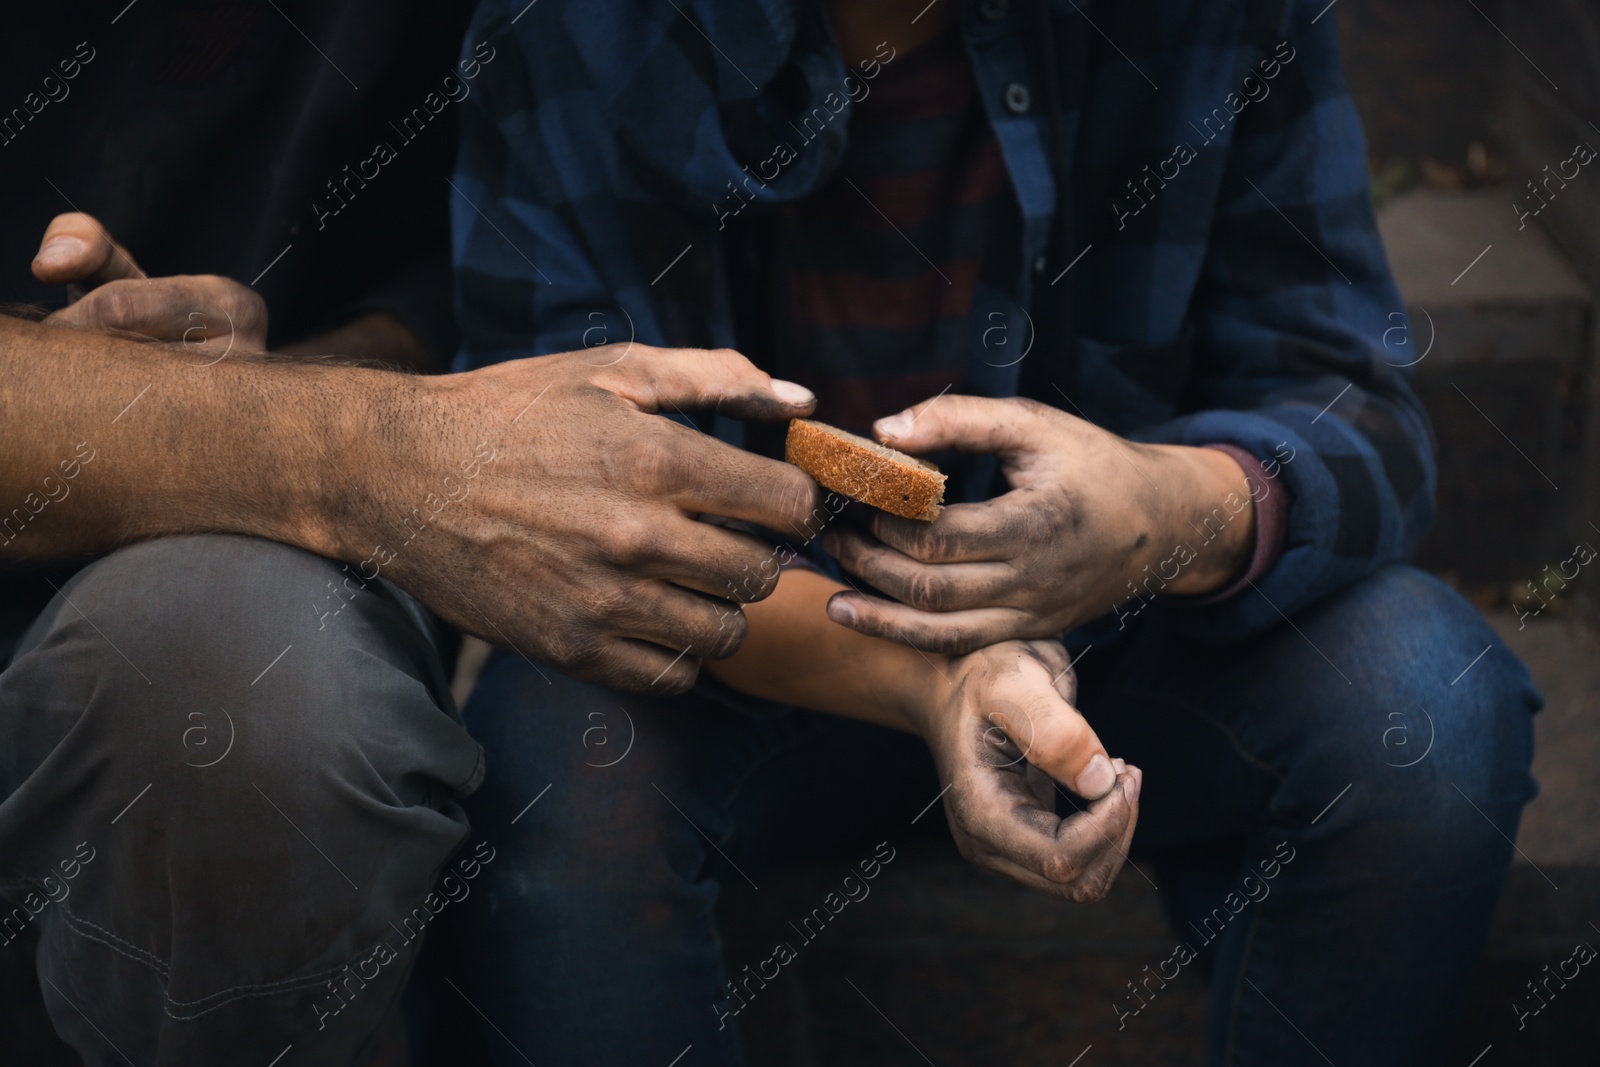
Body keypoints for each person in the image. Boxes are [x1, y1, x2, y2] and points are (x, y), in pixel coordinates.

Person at [430, 0, 1542, 1064]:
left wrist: (1159, 511)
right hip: (737, 649)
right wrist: (939, 676)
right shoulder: (571, 25)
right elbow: (565, 504)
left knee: (1429, 700)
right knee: (549, 769)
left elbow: (1359, 410)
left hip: (1122, 638)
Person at [0, 4, 828, 1063]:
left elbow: (460, 261)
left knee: (250, 696)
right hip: (340, 460)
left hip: (256, 521)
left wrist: (264, 399)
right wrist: (355, 450)